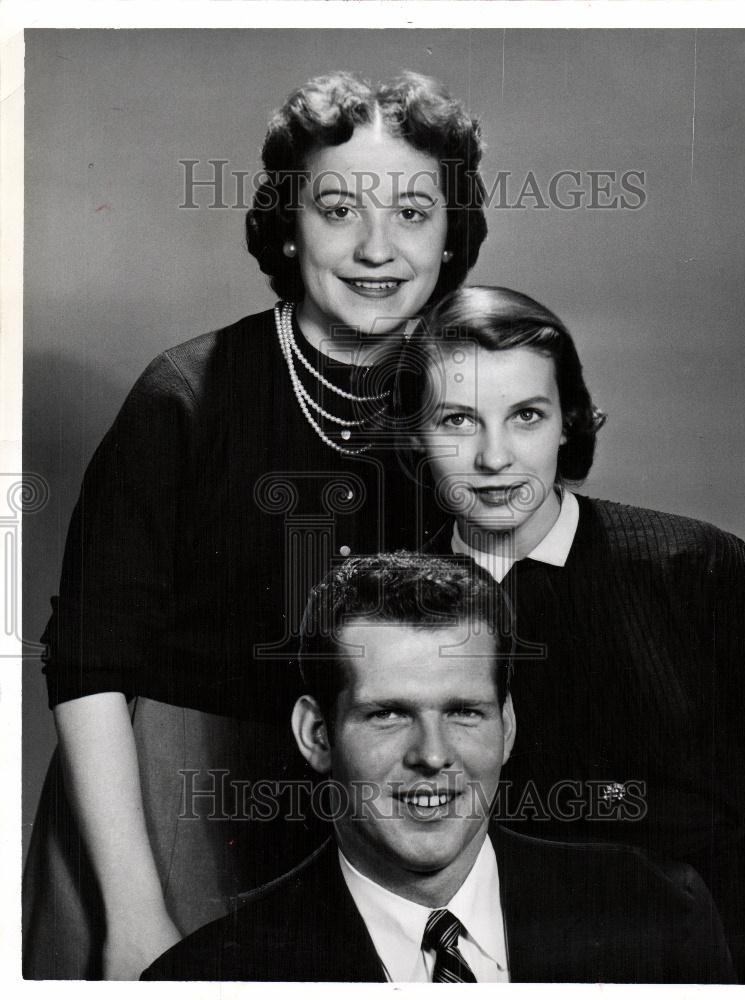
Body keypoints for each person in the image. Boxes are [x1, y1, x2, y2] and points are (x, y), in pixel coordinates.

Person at [22, 71, 488, 980]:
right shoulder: (184, 394)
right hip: (166, 809)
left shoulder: (473, 405)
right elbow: (86, 661)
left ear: (451, 235)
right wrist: (135, 909)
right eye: (338, 209)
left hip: (376, 802)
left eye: (413, 213)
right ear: (285, 224)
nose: (376, 247)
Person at [392, 285, 745, 984]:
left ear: (570, 423)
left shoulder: (698, 567)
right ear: (414, 435)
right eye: (457, 420)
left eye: (526, 416)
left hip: (719, 946)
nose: (492, 457)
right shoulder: (386, 608)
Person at [142, 552, 734, 983]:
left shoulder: (659, 915)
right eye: (389, 714)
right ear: (317, 735)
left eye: (464, 712)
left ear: (507, 728)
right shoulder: (210, 979)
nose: (432, 754)